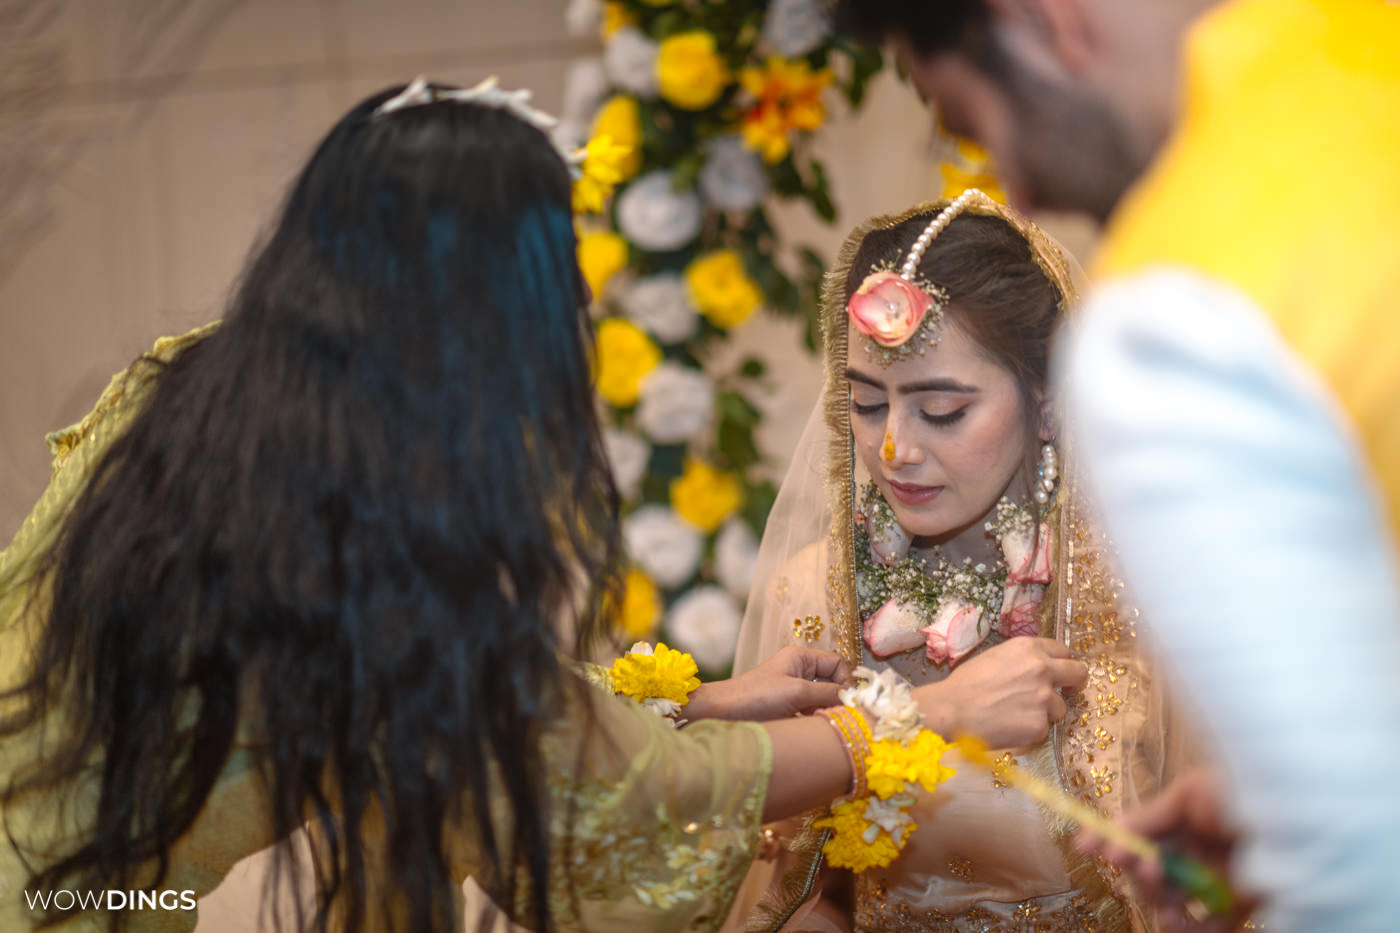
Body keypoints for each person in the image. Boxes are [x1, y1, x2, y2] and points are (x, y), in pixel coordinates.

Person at [0, 81, 1087, 933]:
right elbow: (597, 793)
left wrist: (700, 706)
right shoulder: (360, 508)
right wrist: (921, 718)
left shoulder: (196, 391)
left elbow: (462, 714)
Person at [831, 2, 1400, 931]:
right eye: (867, 403)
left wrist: (1305, 838)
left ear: (1045, 20)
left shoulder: (1180, 310)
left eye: (980, 125)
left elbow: (1358, 876)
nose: (1019, 192)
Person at [729, 191, 1189, 933]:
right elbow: (806, 879)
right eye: (867, 404)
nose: (894, 449)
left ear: (1047, 401)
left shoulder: (1143, 594)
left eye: (941, 411)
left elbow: (1224, 882)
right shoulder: (816, 589)